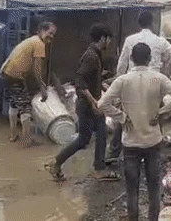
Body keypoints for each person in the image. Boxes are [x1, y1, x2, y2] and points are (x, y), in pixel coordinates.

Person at [98, 43, 171, 221]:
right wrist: (161, 112)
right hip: (153, 141)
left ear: (131, 59)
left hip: (130, 142)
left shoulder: (123, 80)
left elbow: (102, 104)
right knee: (154, 187)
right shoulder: (157, 78)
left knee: (132, 189)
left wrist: (122, 117)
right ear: (149, 59)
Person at [107, 10, 171, 164]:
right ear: (152, 23)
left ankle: (114, 152)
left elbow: (121, 65)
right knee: (155, 117)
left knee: (126, 118)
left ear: (139, 23)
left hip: (131, 84)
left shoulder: (130, 40)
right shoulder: (159, 41)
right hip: (153, 84)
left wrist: (119, 84)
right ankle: (154, 150)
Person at [48, 24, 121, 182]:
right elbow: (79, 81)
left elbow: (91, 79)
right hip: (87, 105)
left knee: (85, 139)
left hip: (87, 104)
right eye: (108, 39)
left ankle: (57, 162)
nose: (109, 43)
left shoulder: (95, 54)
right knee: (98, 135)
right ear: (102, 38)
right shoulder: (91, 57)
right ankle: (99, 169)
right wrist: (94, 102)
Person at [0, 21, 63, 144]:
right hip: (15, 76)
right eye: (50, 33)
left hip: (5, 73)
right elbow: (37, 69)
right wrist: (42, 87)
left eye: (54, 35)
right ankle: (27, 140)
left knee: (14, 104)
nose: (52, 37)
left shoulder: (32, 40)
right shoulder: (39, 44)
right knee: (25, 108)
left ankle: (13, 135)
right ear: (42, 31)